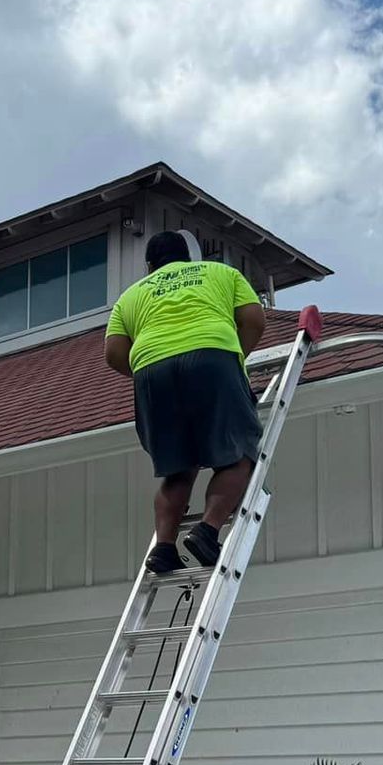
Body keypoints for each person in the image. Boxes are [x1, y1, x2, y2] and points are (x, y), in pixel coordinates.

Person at [105, 230, 267, 573]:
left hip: (151, 369)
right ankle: (207, 531)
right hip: (211, 355)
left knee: (177, 468)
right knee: (238, 455)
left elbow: (114, 353)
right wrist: (235, 357)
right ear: (189, 259)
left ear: (150, 266)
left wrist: (148, 370)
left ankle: (163, 548)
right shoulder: (220, 273)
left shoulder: (131, 296)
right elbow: (254, 318)